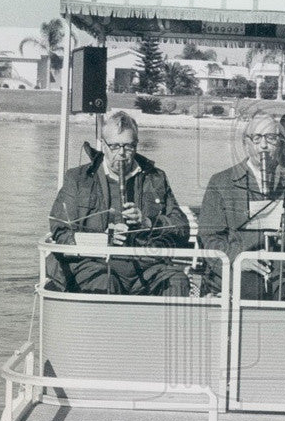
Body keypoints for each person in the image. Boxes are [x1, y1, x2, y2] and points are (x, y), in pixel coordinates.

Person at [47, 111, 190, 295]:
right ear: (103, 145)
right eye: (114, 146)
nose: (122, 154)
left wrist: (148, 222)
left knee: (177, 282)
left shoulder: (155, 178)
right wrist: (102, 241)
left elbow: (182, 228)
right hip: (94, 264)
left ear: (136, 145)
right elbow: (60, 231)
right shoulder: (77, 178)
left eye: (128, 146)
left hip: (147, 267)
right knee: (105, 282)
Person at [199, 115, 285, 300]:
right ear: (246, 144)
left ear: (280, 144)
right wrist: (238, 259)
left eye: (271, 138)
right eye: (257, 138)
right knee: (250, 288)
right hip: (239, 263)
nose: (263, 146)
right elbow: (209, 238)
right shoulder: (222, 181)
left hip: (282, 265)